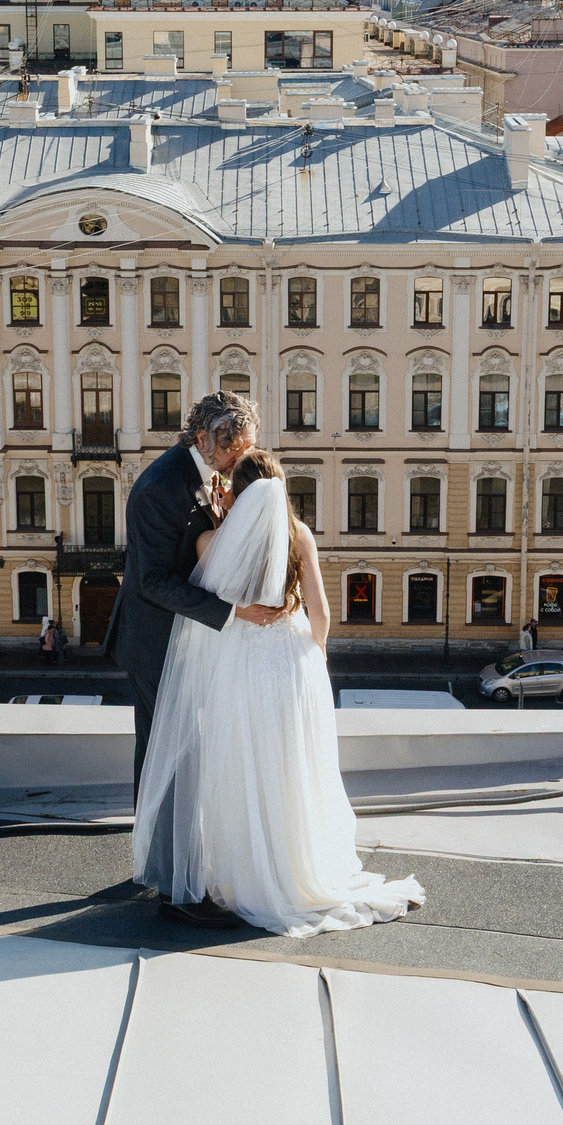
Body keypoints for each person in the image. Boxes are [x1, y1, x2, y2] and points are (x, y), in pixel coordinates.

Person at [133, 449, 423, 937]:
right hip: (292, 663)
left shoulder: (209, 541)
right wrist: (318, 656)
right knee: (292, 766)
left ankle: (244, 873)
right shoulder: (300, 535)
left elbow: (204, 606)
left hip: (239, 665)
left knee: (240, 767)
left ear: (237, 492)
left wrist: (224, 514)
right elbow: (321, 613)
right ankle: (295, 868)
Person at [112, 391, 289, 926]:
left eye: (246, 448)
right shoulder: (159, 488)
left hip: (184, 642)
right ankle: (178, 895)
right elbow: (153, 582)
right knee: (176, 756)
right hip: (155, 643)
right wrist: (234, 613)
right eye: (234, 449)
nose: (240, 461)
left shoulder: (204, 472)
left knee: (170, 754)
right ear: (204, 438)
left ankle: (159, 864)